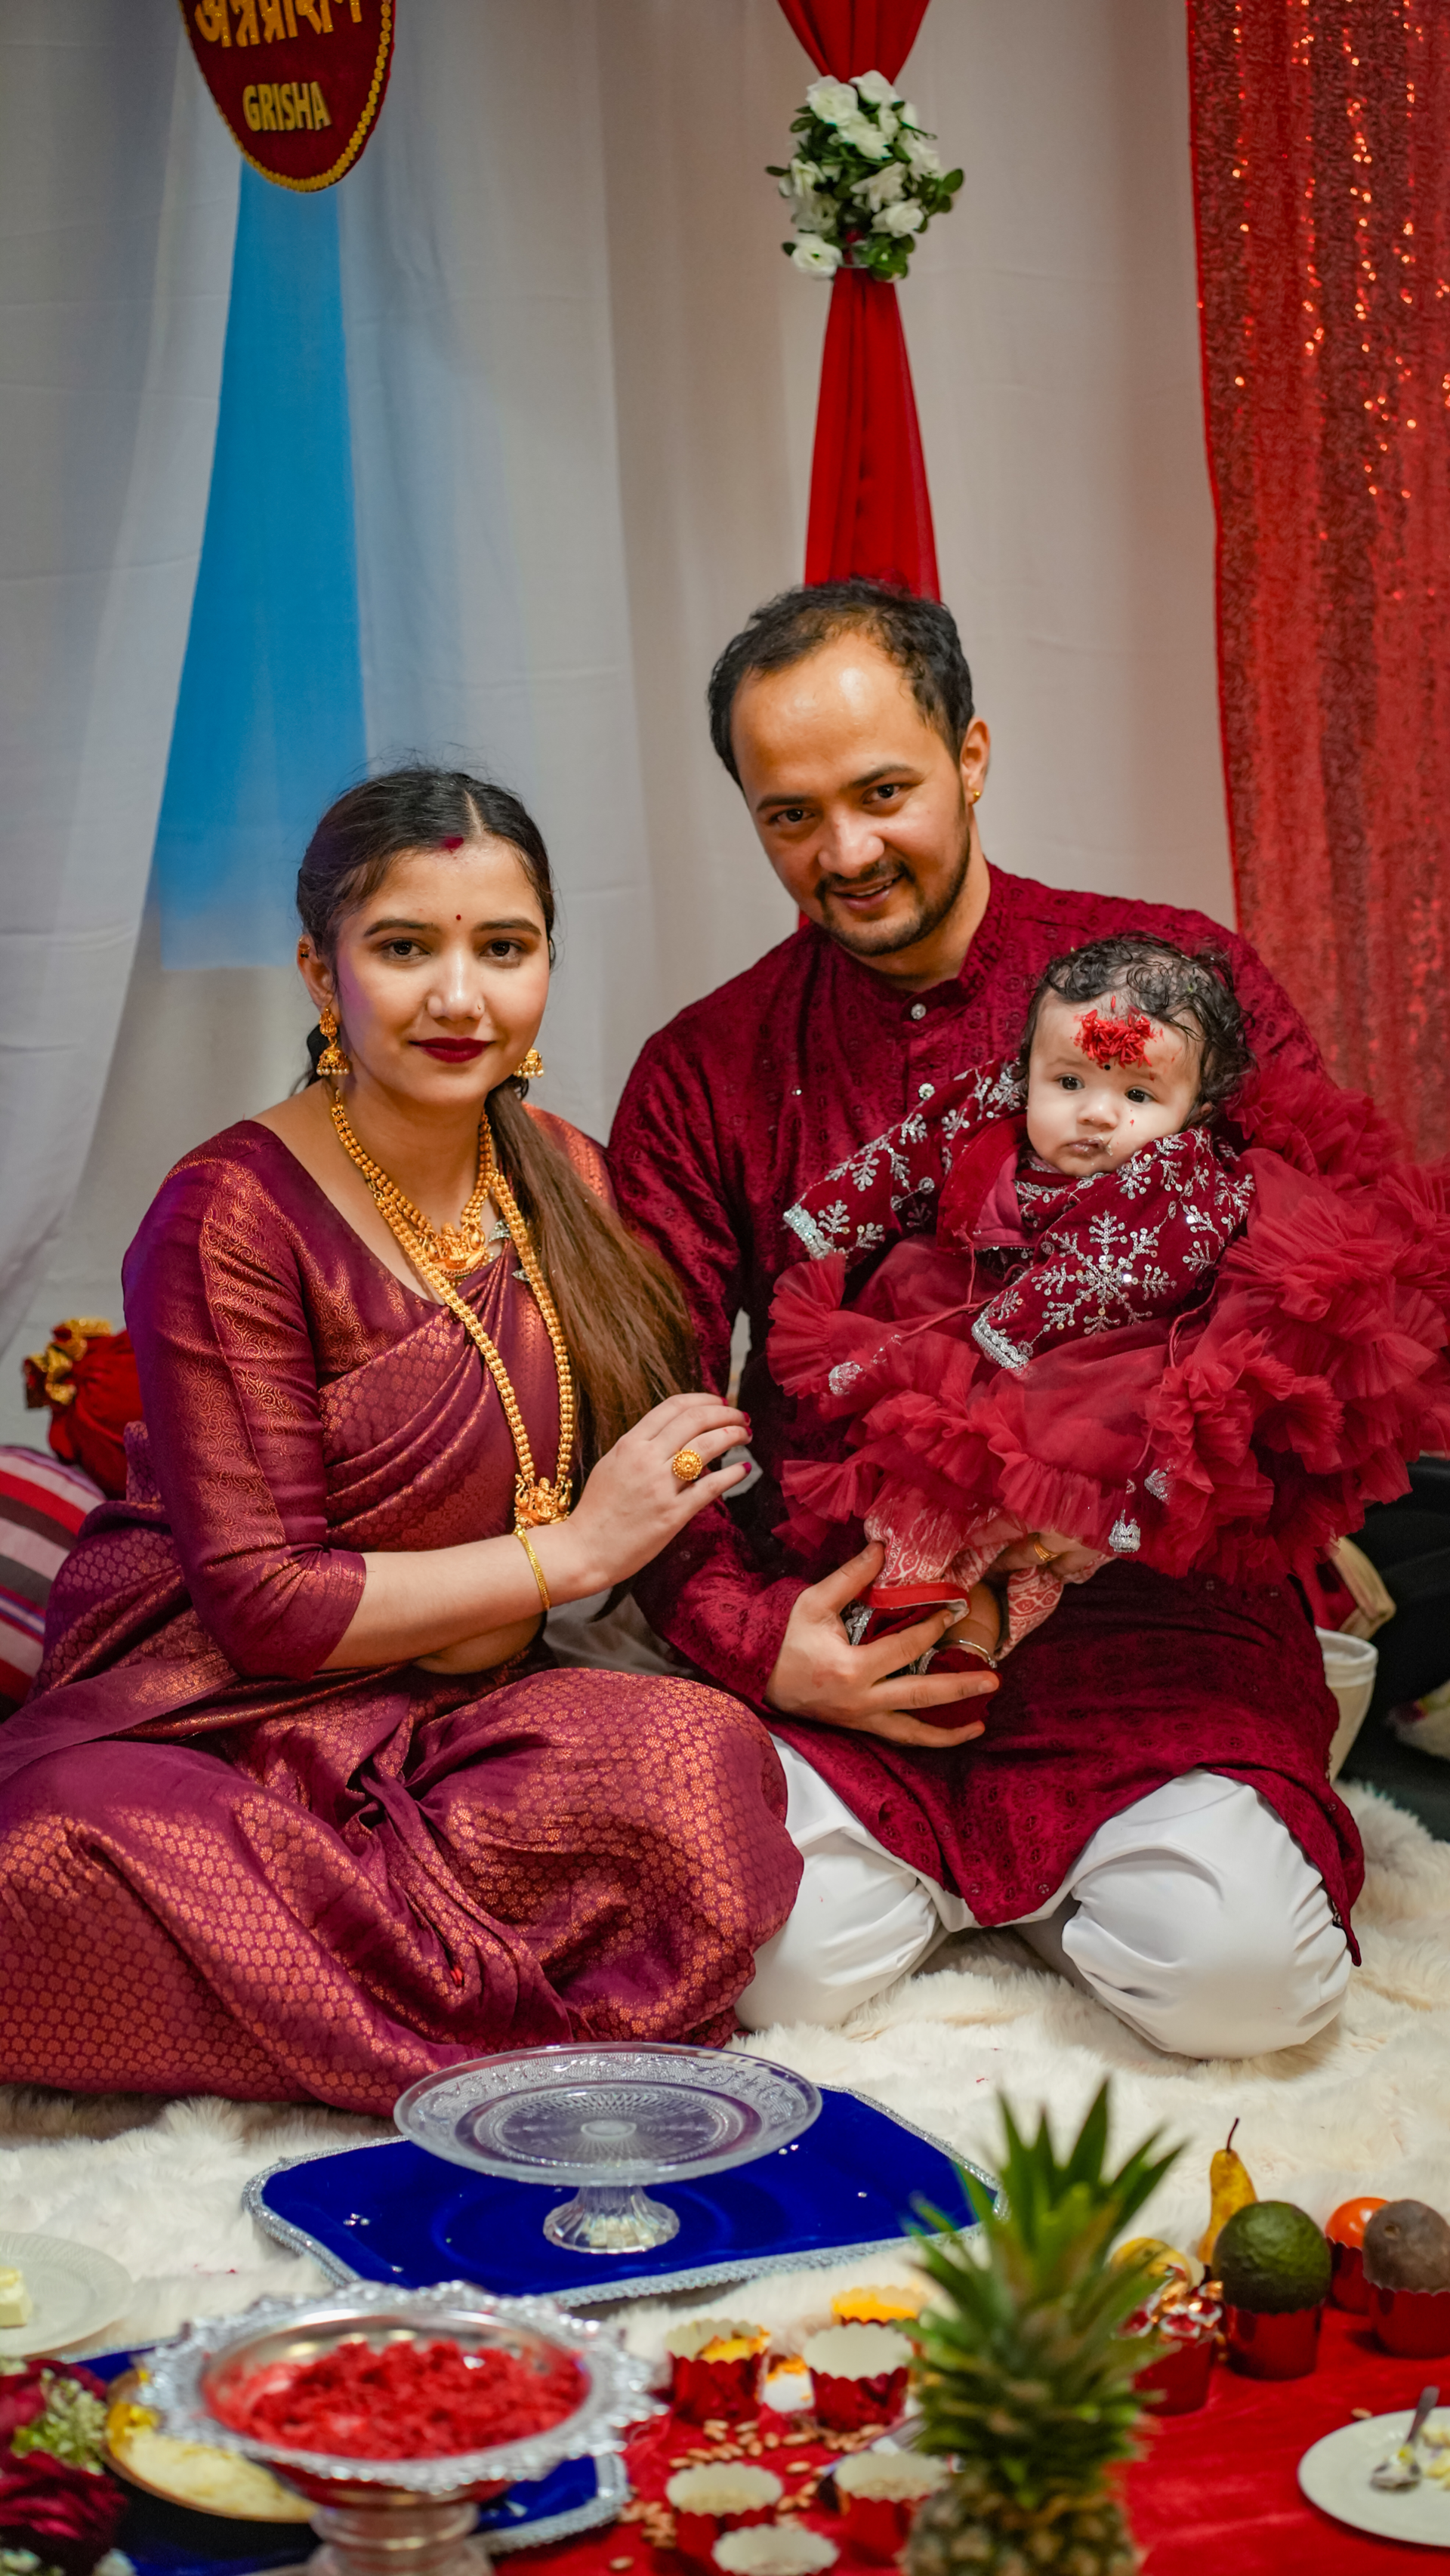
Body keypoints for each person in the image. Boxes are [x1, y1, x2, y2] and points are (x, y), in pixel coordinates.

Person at [609, 580, 1371, 2060]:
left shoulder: (1174, 973)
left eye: (883, 791)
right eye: (790, 816)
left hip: (1155, 1618)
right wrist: (762, 1643)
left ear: (970, 752)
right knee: (768, 1973)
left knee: (1245, 1986)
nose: (846, 852)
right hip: (865, 1625)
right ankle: (1022, 1885)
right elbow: (657, 1404)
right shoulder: (704, 1067)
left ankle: (1108, 1866)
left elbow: (1333, 1276)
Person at [0, 770, 799, 2114]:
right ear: (321, 970)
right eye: (404, 948)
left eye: (503, 947)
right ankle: (466, 2031)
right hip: (209, 1721)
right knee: (43, 1857)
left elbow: (676, 1462)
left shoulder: (571, 1179)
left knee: (703, 1763)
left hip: (451, 1724)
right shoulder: (227, 1214)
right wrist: (573, 1550)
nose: (459, 997)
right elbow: (267, 1608)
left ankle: (314, 1981)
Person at [769, 933, 1450, 1666]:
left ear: (1193, 1109)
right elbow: (910, 1152)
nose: (1096, 1114)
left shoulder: (1189, 1177)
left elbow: (1136, 1267)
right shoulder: (986, 1111)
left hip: (1095, 1365)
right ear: (1026, 1070)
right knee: (921, 1481)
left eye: (1136, 1094)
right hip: (963, 1314)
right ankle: (911, 1600)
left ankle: (980, 1637)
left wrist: (1016, 1327)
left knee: (1055, 1528)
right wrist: (829, 1219)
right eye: (1068, 1083)